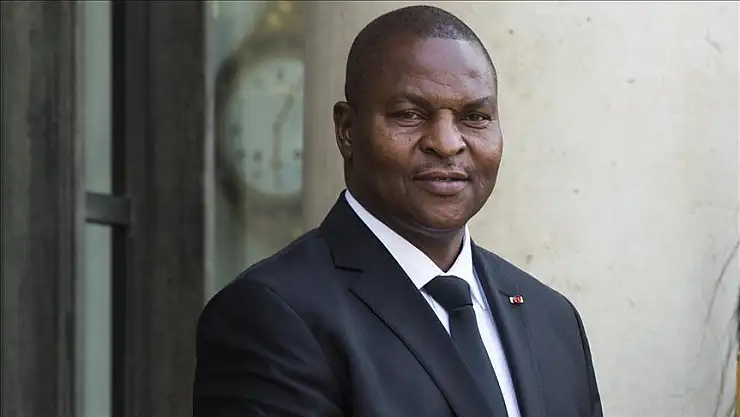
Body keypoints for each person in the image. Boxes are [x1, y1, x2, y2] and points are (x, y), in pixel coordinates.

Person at [193, 5, 603, 417]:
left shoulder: (552, 319)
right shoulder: (272, 316)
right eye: (410, 115)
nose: (447, 143)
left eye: (475, 117)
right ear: (347, 131)